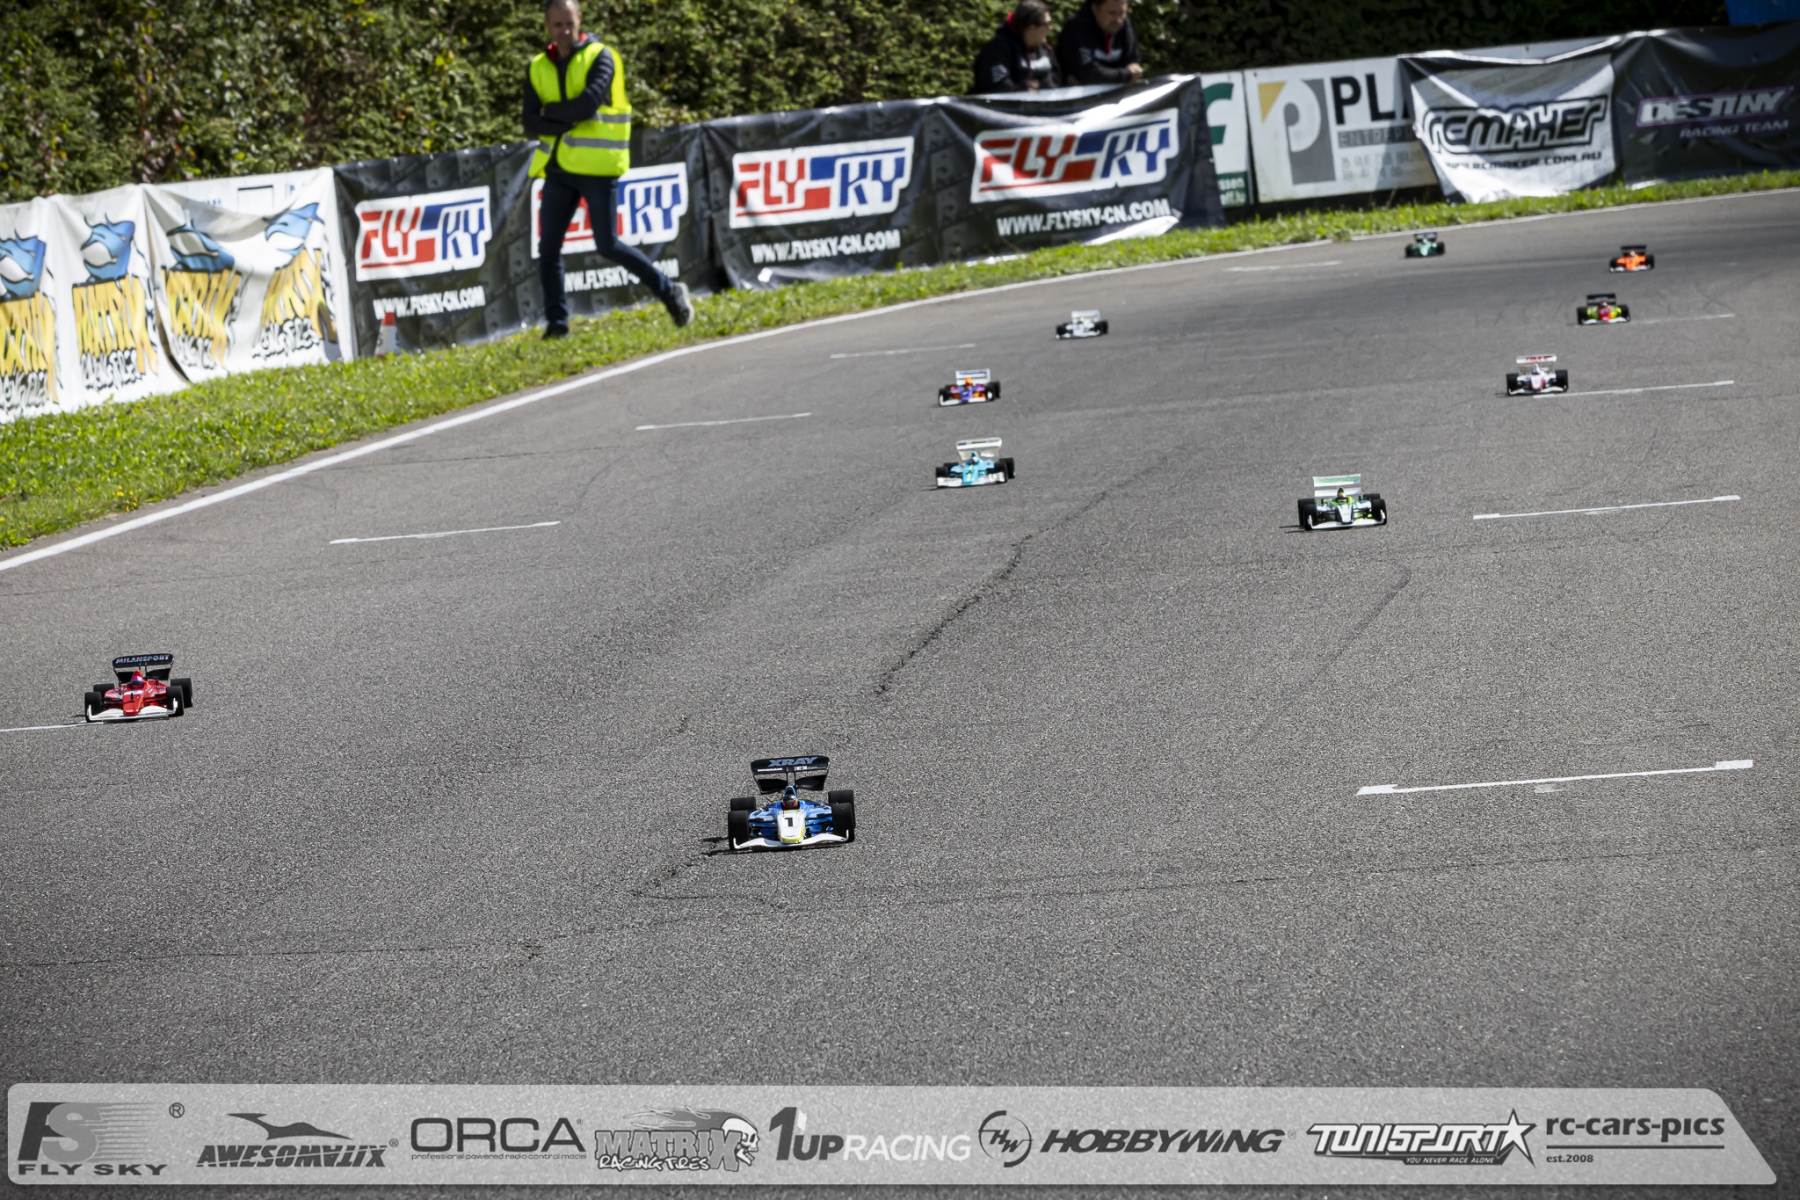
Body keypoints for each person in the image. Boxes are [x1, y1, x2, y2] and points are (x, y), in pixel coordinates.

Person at [524, 0, 693, 338]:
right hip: (559, 167)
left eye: (569, 23)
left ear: (579, 19)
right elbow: (529, 123)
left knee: (608, 245)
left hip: (598, 168)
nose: (564, 31)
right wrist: (564, 117)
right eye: (557, 25)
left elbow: (587, 106)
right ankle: (558, 326)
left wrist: (550, 113)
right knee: (548, 249)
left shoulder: (602, 56)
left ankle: (670, 291)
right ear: (547, 26)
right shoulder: (538, 66)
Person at [971, 2, 1061, 94]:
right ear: (1032, 28)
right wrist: (1025, 88)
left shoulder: (1044, 48)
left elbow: (1055, 79)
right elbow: (998, 87)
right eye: (1047, 23)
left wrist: (1039, 86)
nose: (1050, 28)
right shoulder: (997, 49)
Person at [1057, 0, 1143, 86]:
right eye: (1112, 13)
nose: (1118, 20)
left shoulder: (1123, 25)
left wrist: (1124, 74)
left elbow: (1133, 62)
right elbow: (1089, 74)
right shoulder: (1076, 27)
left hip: (1117, 90)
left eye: (1121, 13)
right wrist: (1126, 75)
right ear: (1095, 9)